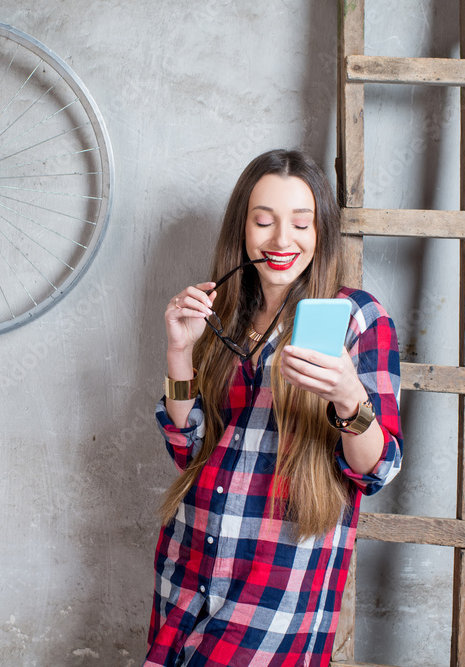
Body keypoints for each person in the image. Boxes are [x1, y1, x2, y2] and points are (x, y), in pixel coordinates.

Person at [146, 149, 402, 666]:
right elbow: (187, 448)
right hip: (191, 559)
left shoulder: (358, 317)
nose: (282, 240)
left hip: (281, 579)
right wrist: (179, 353)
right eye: (263, 221)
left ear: (321, 232)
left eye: (301, 224)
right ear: (242, 229)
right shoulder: (220, 316)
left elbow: (377, 468)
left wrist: (350, 400)